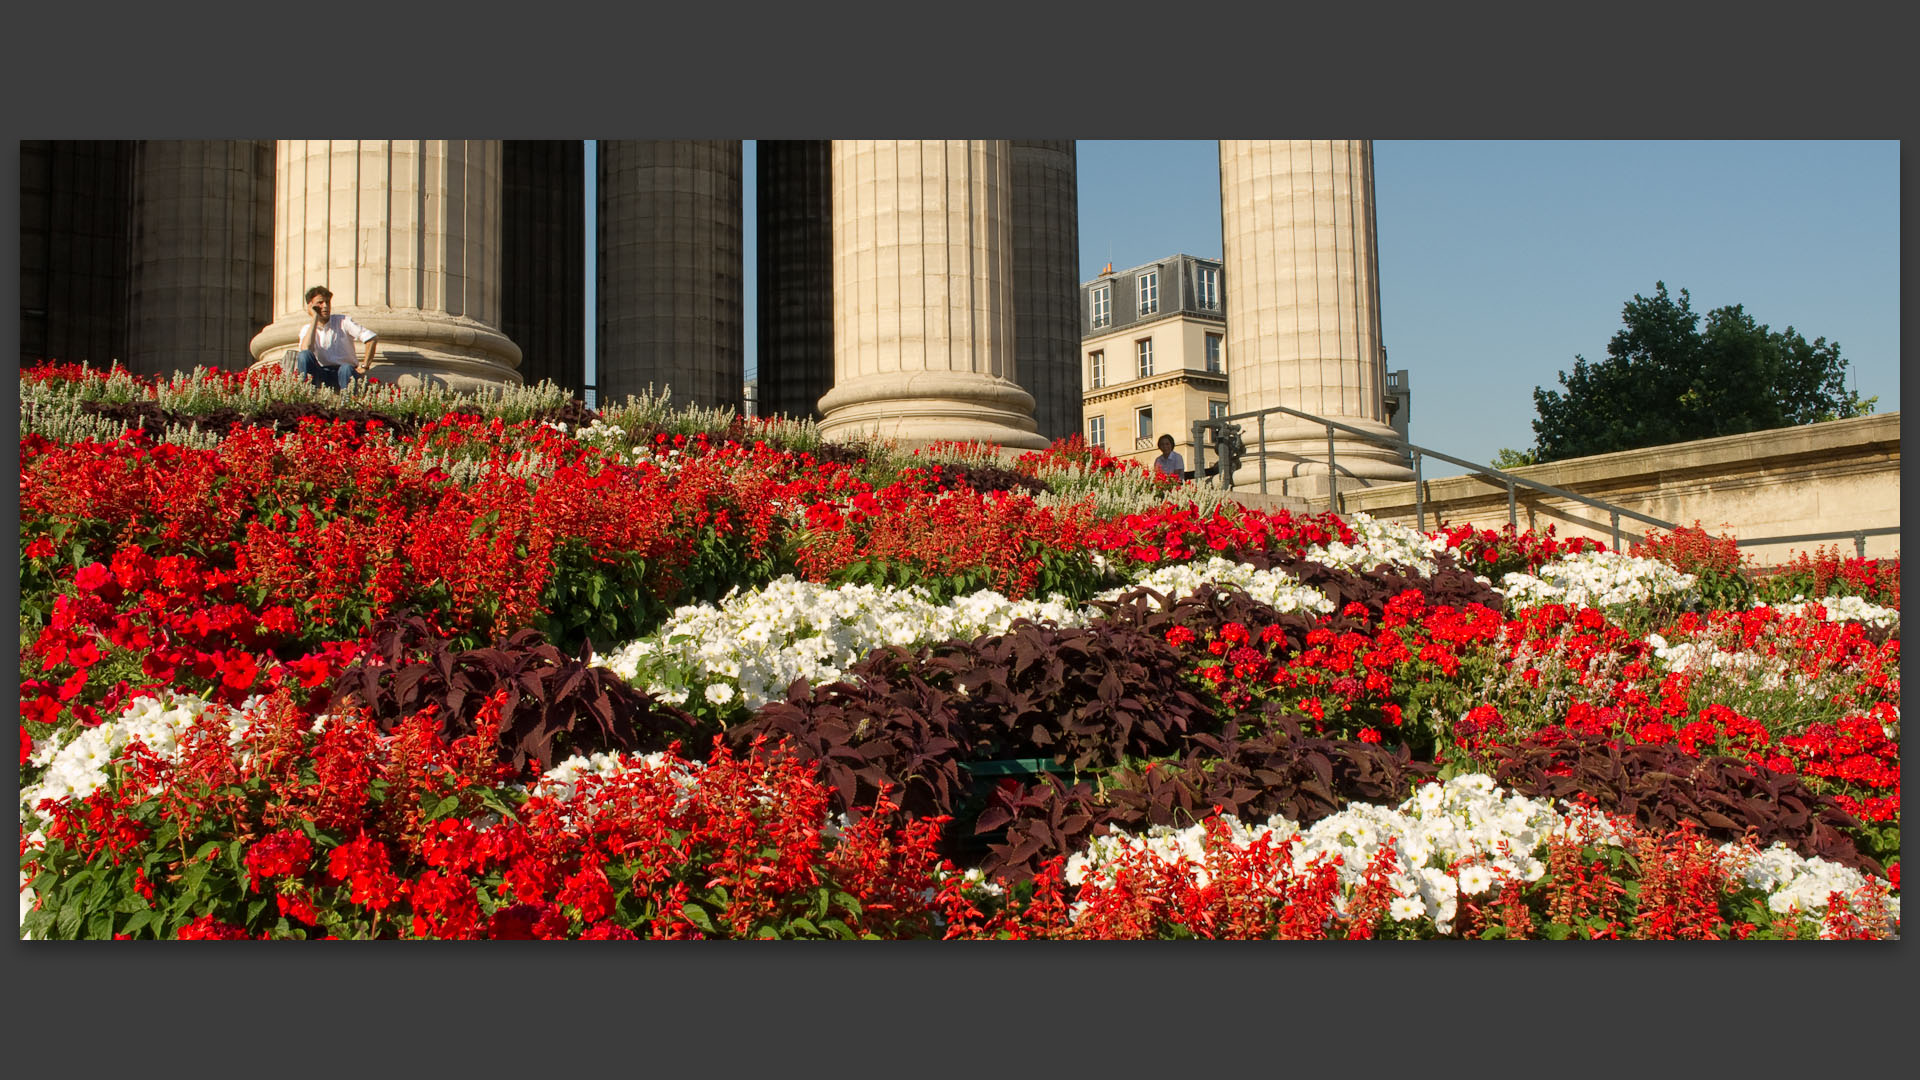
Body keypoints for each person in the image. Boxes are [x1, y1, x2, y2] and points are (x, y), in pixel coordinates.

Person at [295, 286, 378, 390]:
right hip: (322, 372)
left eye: (328, 302)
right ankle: (305, 395)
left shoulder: (343, 321)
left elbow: (371, 338)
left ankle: (347, 403)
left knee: (346, 369)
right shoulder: (307, 329)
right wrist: (315, 318)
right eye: (320, 303)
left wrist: (364, 366)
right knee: (304, 355)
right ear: (310, 306)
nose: (325, 306)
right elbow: (306, 349)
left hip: (344, 372)